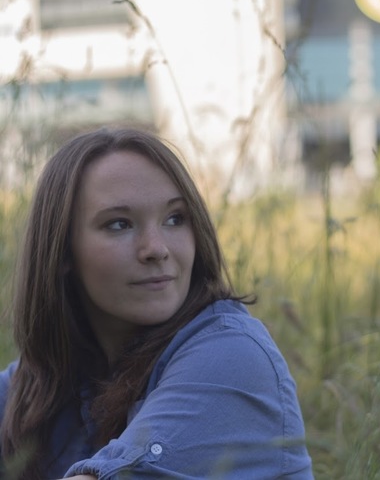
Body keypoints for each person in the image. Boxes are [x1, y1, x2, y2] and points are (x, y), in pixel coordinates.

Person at [0, 127, 313, 479]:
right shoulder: (43, 384)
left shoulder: (233, 357)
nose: (157, 249)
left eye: (175, 219)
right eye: (120, 224)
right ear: (62, 251)